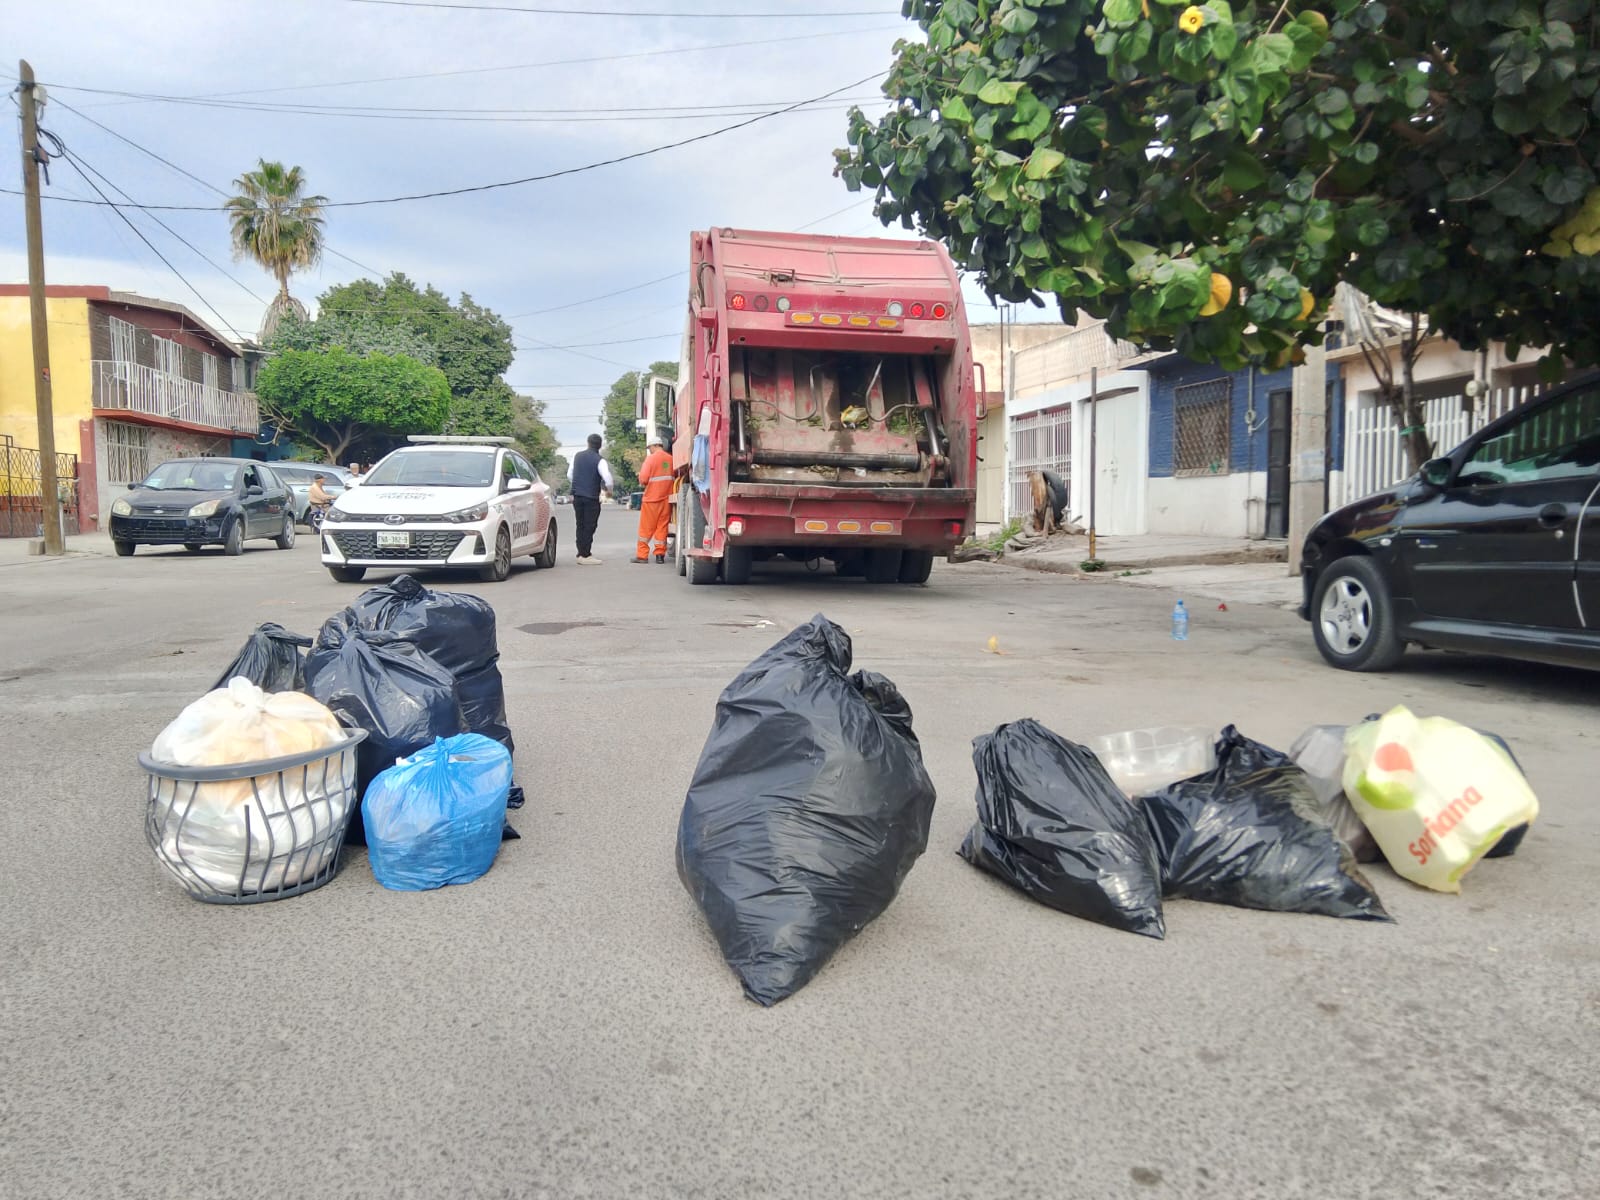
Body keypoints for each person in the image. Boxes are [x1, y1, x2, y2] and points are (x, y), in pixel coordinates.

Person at [567, 433, 614, 564]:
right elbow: (608, 479)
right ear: (600, 445)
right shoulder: (599, 460)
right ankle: (585, 554)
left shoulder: (577, 456)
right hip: (591, 496)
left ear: (588, 443)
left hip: (577, 495)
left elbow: (569, 474)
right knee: (589, 525)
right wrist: (609, 491)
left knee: (580, 524)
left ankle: (580, 553)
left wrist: (579, 482)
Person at [633, 437, 675, 564]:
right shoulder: (670, 459)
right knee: (662, 527)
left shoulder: (650, 459)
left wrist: (640, 476)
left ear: (655, 446)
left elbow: (644, 479)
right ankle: (660, 555)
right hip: (666, 499)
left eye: (650, 448)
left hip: (651, 499)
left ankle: (642, 555)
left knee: (645, 529)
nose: (649, 451)